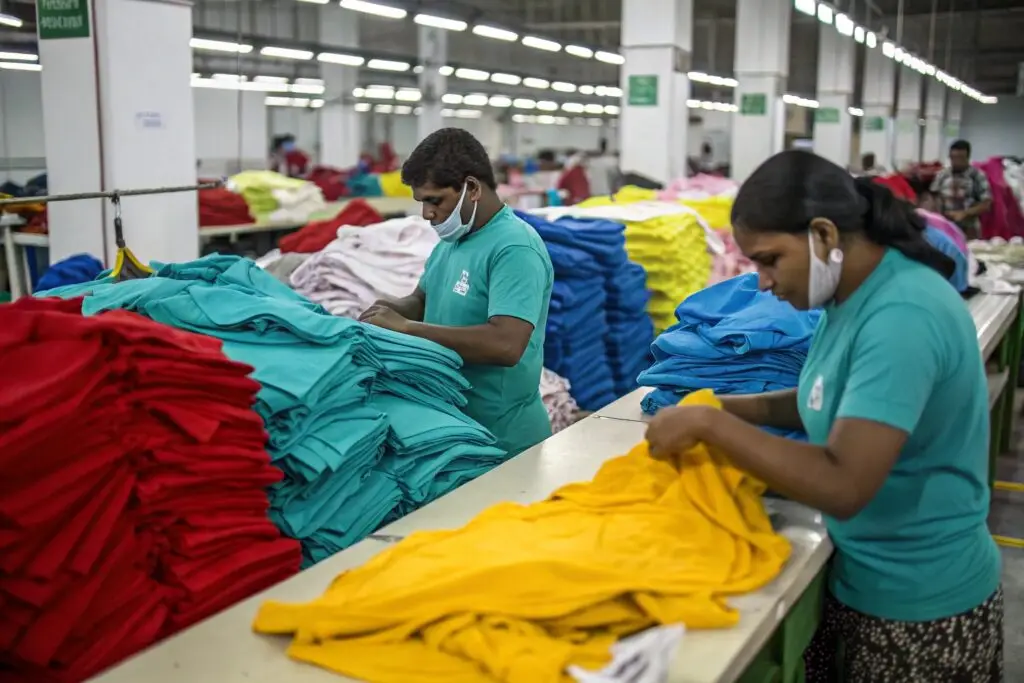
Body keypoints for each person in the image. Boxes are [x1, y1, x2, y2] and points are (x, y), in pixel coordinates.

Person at [645, 149, 1003, 682]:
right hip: (864, 574)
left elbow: (844, 483)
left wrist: (710, 426)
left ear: (824, 235)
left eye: (769, 259)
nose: (762, 282)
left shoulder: (901, 315)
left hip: (919, 607)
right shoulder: (850, 296)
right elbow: (824, 398)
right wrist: (714, 404)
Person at [359, 128, 554, 456]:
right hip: (456, 427)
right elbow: (423, 300)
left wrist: (406, 329)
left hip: (504, 440)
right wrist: (387, 312)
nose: (427, 214)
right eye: (422, 202)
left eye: (435, 201)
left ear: (472, 188)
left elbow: (506, 343)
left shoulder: (514, 247)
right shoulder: (452, 242)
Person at [930, 139, 993, 239]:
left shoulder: (977, 176)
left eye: (960, 158)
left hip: (969, 228)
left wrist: (964, 213)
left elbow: (986, 204)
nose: (956, 161)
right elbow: (933, 196)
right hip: (945, 226)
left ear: (967, 158)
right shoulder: (942, 175)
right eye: (953, 158)